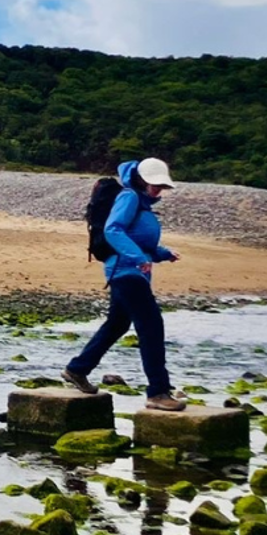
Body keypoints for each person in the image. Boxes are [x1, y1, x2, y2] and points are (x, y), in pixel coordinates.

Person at [62, 157, 183, 408]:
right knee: (151, 325)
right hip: (125, 272)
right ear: (141, 180)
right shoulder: (129, 197)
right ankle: (158, 392)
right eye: (155, 184)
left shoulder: (142, 204)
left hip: (130, 271)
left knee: (117, 323)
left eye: (161, 186)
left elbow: (142, 242)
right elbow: (113, 230)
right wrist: (138, 258)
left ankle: (77, 369)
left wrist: (163, 254)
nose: (159, 189)